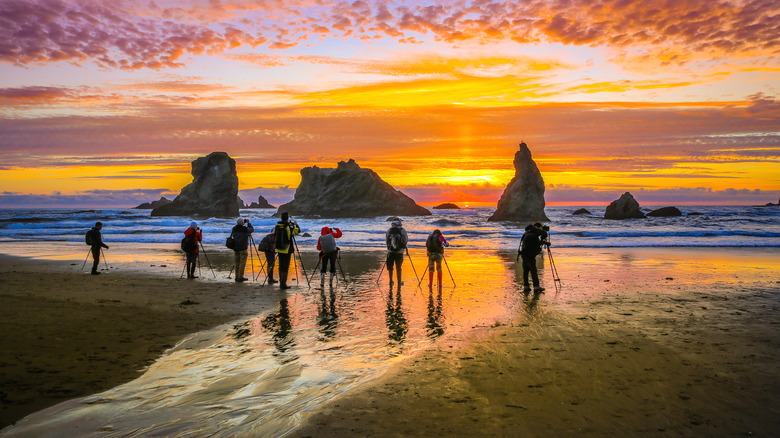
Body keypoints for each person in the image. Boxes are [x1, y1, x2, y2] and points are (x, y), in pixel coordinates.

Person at [518, 222, 549, 293]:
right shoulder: (534, 231)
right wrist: (543, 235)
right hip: (529, 255)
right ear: (537, 227)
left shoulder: (526, 233)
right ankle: (536, 287)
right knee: (533, 271)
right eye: (540, 228)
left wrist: (542, 242)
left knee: (526, 271)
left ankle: (526, 286)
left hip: (524, 253)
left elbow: (533, 243)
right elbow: (544, 234)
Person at [274, 212, 300, 289]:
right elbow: (297, 231)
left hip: (279, 248)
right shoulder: (288, 227)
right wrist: (296, 224)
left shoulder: (277, 226)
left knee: (280, 266)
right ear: (287, 218)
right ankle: (283, 284)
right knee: (285, 267)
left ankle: (281, 282)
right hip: (286, 249)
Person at [385, 219, 408, 286]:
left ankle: (391, 281)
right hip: (399, 252)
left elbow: (387, 241)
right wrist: (403, 246)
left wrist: (389, 248)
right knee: (398, 267)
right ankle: (399, 281)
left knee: (390, 267)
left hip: (390, 252)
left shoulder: (389, 230)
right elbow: (405, 240)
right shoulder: (402, 230)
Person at [230, 217, 254, 282]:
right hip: (243, 248)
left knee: (237, 263)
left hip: (236, 248)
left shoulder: (234, 228)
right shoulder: (244, 229)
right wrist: (248, 223)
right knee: (242, 263)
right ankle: (240, 277)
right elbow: (251, 229)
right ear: (242, 223)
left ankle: (236, 277)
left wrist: (243, 222)